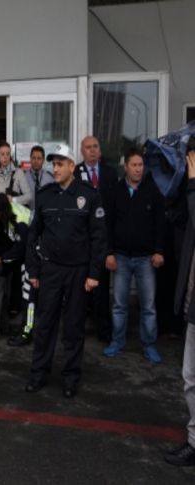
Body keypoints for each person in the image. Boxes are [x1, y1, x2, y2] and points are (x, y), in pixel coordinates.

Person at [25, 144, 107, 399]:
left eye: (60, 164)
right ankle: (39, 373)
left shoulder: (89, 195)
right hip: (50, 270)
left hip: (78, 272)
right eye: (54, 164)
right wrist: (34, 270)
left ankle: (71, 377)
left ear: (72, 166)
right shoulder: (45, 195)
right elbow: (32, 235)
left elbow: (99, 238)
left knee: (73, 327)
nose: (55, 168)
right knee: (45, 323)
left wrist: (94, 273)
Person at [102, 148, 165, 363]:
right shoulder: (116, 191)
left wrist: (158, 251)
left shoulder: (152, 190)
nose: (138, 169)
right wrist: (109, 253)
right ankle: (117, 342)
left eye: (141, 165)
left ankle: (149, 345)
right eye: (134, 165)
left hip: (146, 258)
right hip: (120, 257)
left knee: (148, 306)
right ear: (126, 167)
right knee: (119, 305)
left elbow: (160, 224)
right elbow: (107, 225)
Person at [167, 146, 195, 467]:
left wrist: (192, 186)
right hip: (192, 302)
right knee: (190, 377)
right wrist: (179, 182)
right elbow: (175, 216)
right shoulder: (189, 190)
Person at [76, 135, 118, 342]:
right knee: (80, 292)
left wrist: (110, 250)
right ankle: (77, 332)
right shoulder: (75, 172)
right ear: (82, 151)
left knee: (101, 292)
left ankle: (104, 332)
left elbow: (115, 214)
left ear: (100, 151)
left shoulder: (111, 174)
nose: (92, 150)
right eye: (88, 147)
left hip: (103, 242)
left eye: (95, 147)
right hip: (81, 243)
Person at [0, 194, 29, 339]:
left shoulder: (19, 220)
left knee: (27, 295)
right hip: (20, 253)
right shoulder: (7, 217)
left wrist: (2, 258)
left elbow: (20, 248)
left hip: (32, 254)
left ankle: (25, 331)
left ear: (1, 212)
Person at [0, 142, 33, 208]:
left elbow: (29, 196)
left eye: (8, 154)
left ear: (10, 156)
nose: (5, 157)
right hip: (0, 215)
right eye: (2, 154)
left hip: (15, 215)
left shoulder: (18, 172)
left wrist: (13, 200)